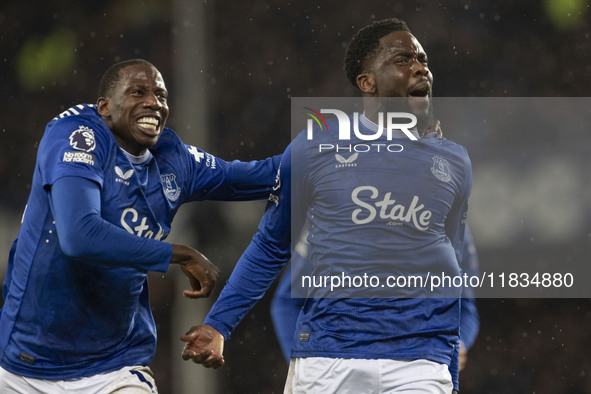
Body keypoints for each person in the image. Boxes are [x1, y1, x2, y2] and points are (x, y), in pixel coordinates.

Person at [181, 18, 472, 394]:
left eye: (423, 60)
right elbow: (271, 244)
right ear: (367, 82)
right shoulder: (316, 146)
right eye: (403, 60)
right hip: (329, 359)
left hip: (418, 364)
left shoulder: (454, 162)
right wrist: (219, 324)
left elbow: (450, 270)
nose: (420, 67)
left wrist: (451, 375)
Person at [0, 59, 280, 393]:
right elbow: (78, 235)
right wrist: (178, 254)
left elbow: (259, 176)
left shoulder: (175, 160)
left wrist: (333, 148)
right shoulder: (78, 135)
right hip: (23, 365)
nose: (154, 102)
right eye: (138, 92)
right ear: (104, 106)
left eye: (161, 95)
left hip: (113, 366)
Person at [270, 225, 480, 370]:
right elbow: (285, 302)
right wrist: (302, 361)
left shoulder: (449, 216)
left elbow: (466, 306)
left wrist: (459, 343)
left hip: (417, 367)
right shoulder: (332, 207)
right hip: (341, 366)